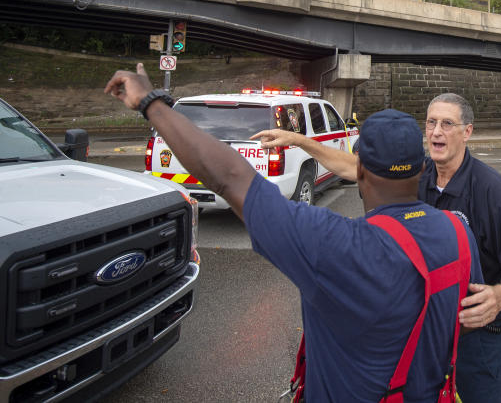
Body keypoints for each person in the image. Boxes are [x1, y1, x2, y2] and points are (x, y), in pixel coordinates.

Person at [105, 65, 482, 403]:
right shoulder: (458, 232)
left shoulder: (333, 245)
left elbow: (231, 176)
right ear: (420, 169)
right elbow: (462, 319)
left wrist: (151, 102)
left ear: (359, 168)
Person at [256, 92, 501, 403]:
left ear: (467, 131)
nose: (436, 132)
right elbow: (357, 167)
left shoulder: (491, 189)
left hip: (479, 339)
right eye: (431, 123)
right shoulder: (418, 173)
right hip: (430, 331)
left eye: (447, 124)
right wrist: (300, 141)